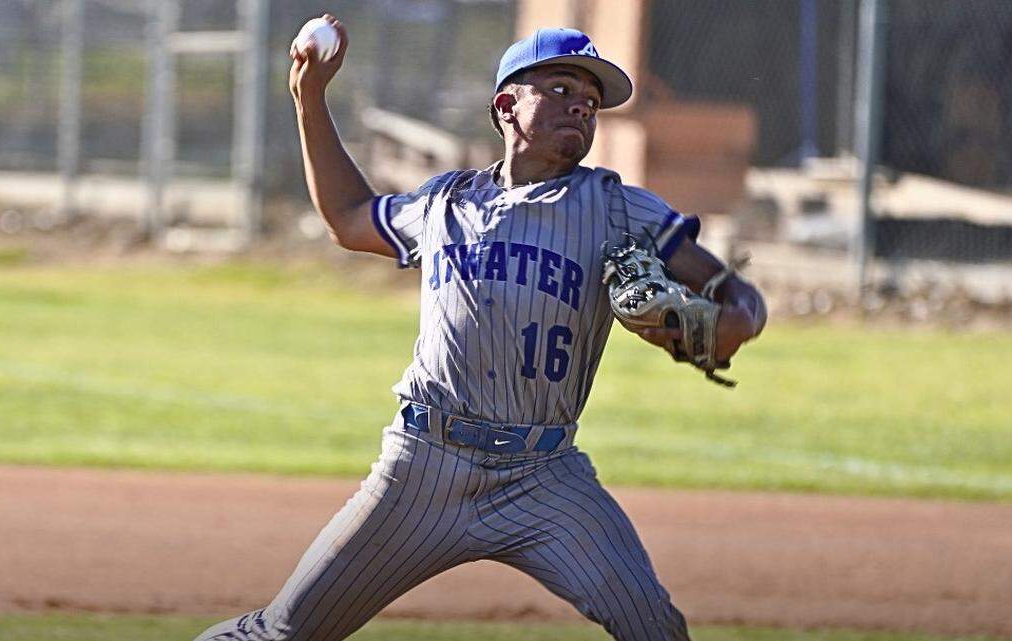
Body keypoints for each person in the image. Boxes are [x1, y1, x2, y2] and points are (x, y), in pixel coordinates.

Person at [194, 15, 766, 641]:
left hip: (545, 477)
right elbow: (350, 218)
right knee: (285, 632)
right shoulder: (445, 204)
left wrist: (734, 321)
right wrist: (310, 99)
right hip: (423, 468)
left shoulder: (617, 206)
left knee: (655, 629)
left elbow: (729, 292)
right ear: (505, 105)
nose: (581, 107)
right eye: (560, 90)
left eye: (591, 102)